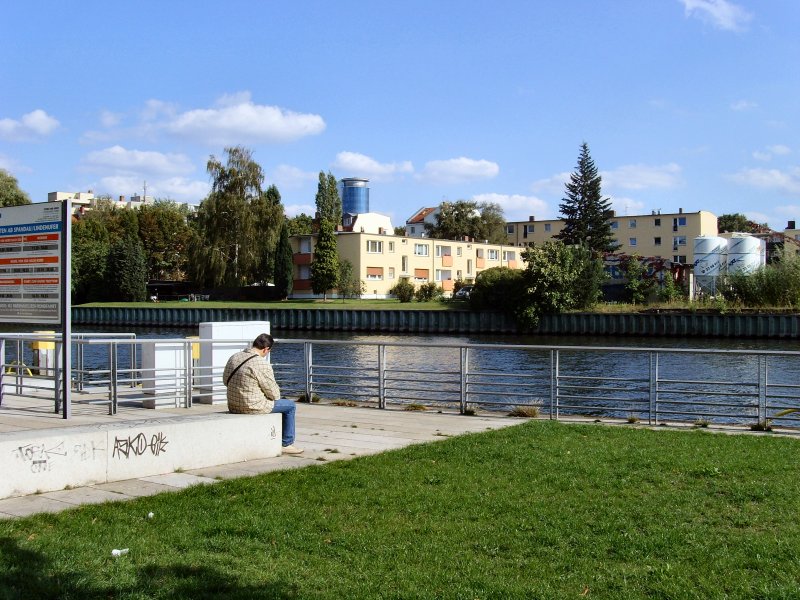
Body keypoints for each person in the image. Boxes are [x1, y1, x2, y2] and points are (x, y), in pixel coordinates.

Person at [223, 333, 303, 455]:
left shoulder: (234, 357)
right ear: (266, 349)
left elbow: (225, 380)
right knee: (290, 406)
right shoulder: (261, 364)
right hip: (252, 406)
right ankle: (286, 443)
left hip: (233, 405)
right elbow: (274, 394)